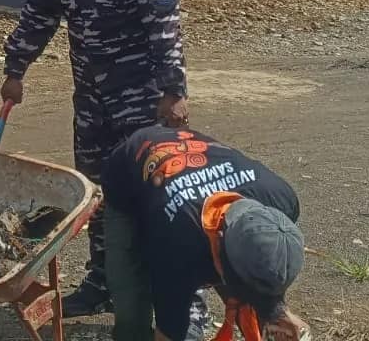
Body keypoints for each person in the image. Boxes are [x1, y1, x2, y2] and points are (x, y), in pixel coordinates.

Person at [0, 0, 188, 317]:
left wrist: (174, 91)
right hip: (91, 98)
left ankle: (153, 285)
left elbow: (164, 24)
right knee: (95, 192)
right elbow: (39, 13)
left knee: (148, 189)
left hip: (141, 96)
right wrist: (16, 68)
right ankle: (103, 281)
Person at [102, 125, 308, 341]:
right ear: (218, 243)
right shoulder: (176, 247)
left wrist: (278, 314)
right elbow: (167, 335)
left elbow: (263, 270)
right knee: (130, 302)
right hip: (128, 174)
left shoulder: (282, 201)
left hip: (188, 172)